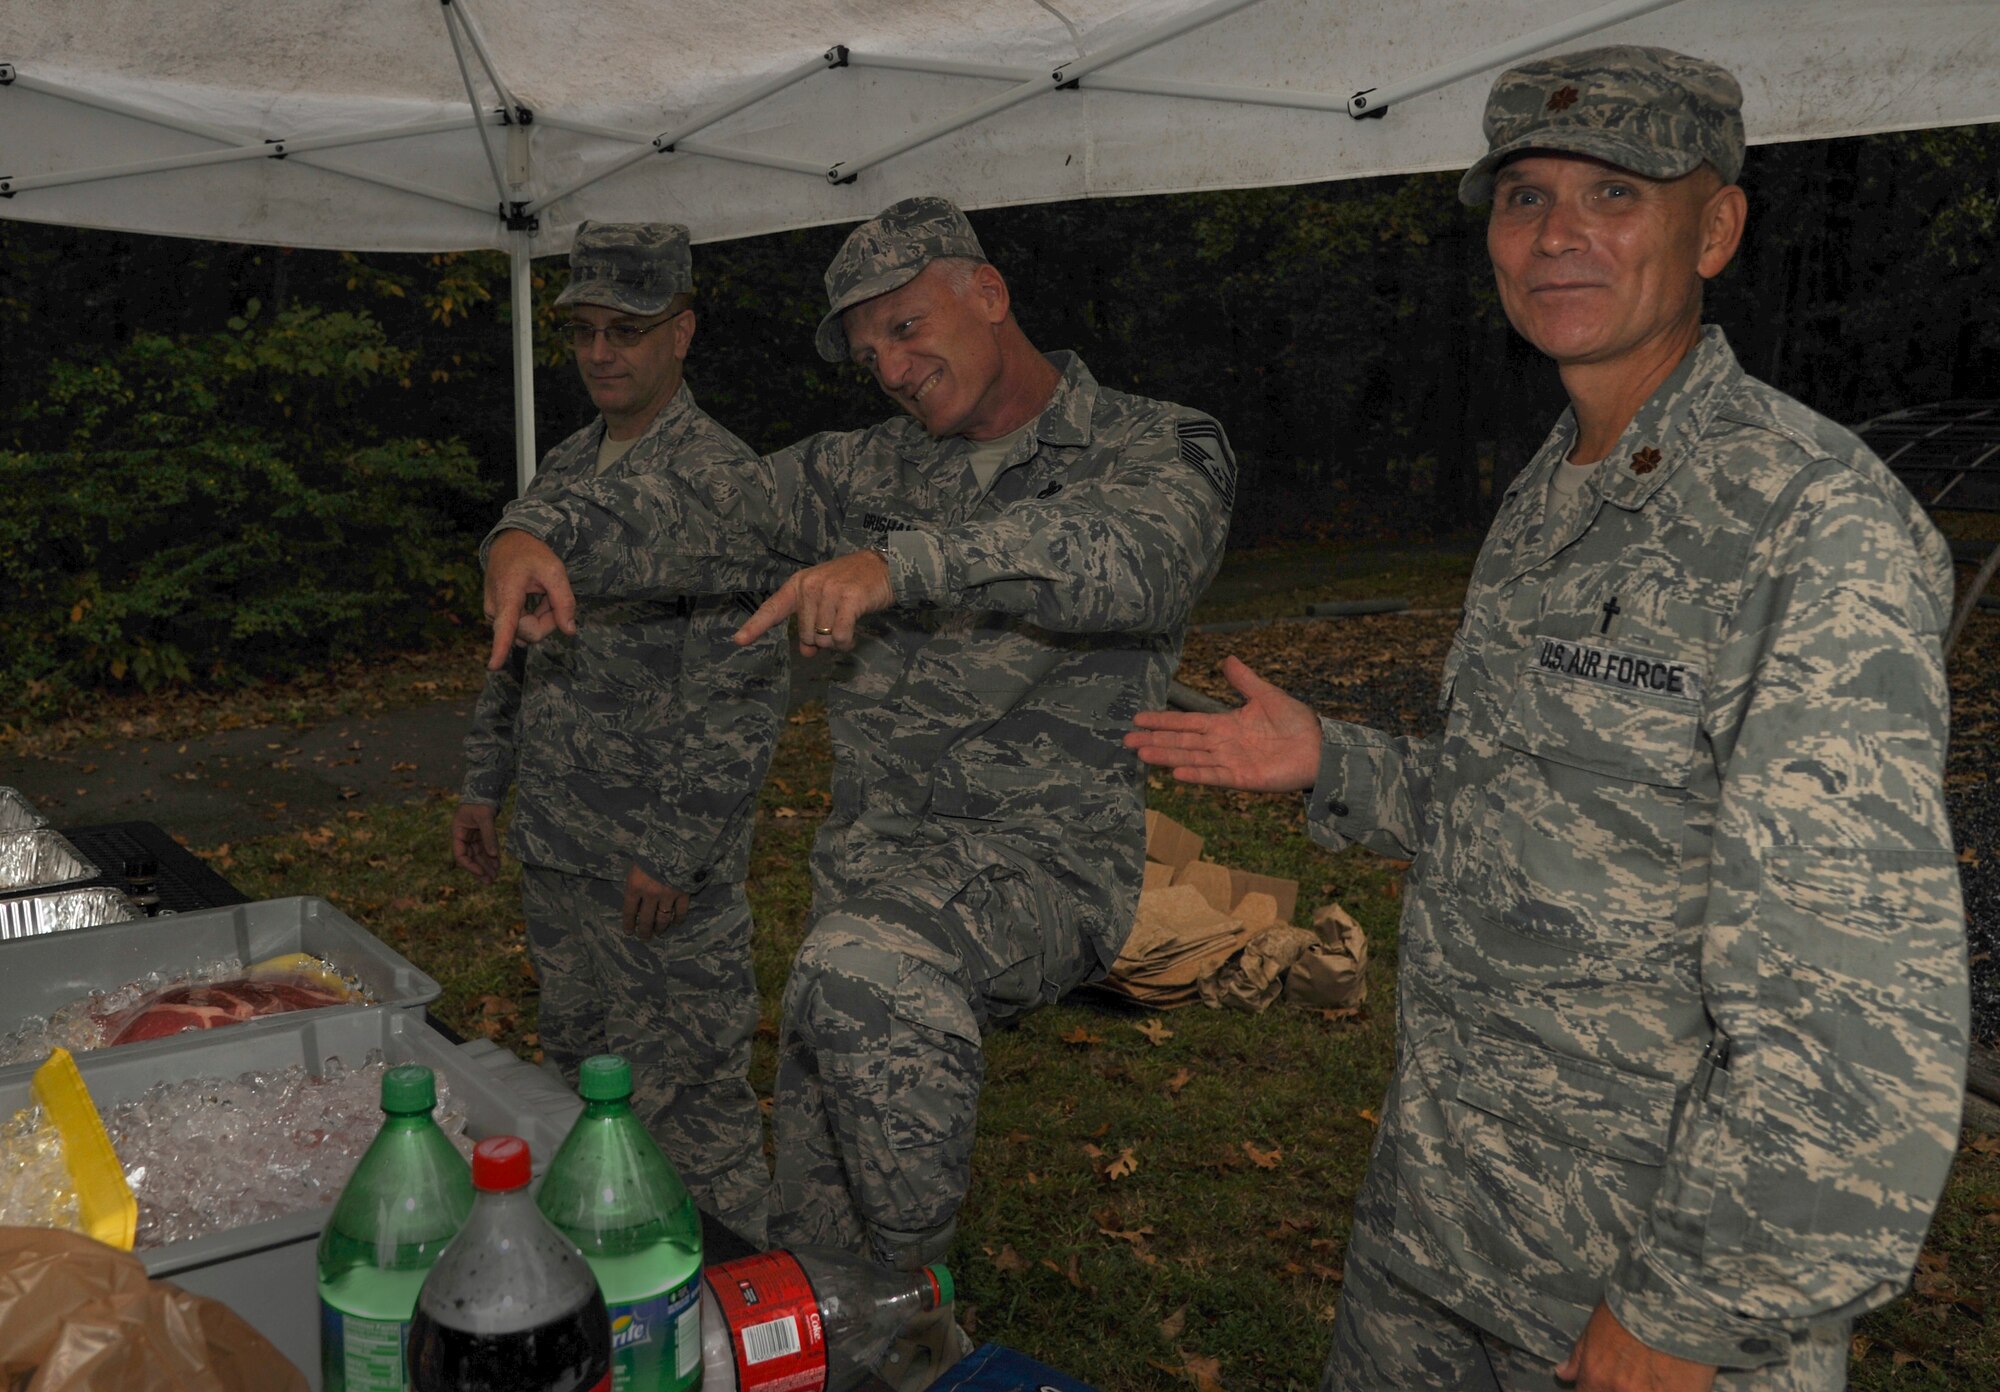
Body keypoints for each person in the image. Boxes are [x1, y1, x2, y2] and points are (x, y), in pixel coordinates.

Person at [1127, 46, 1967, 1392]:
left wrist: (1688, 1314)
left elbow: (1858, 1018)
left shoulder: (1812, 524)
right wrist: (1334, 761)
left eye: (1616, 192)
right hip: (1443, 1233)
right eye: (1524, 196)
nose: (1558, 231)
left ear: (1719, 227)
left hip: (1638, 1285)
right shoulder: (1550, 492)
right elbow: (1546, 808)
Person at [481, 194, 1236, 1269]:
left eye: (905, 326)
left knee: (862, 989)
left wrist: (901, 563)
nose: (888, 366)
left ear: (987, 294)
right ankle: (849, 1323)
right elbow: (691, 506)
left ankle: (912, 1291)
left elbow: (1138, 558)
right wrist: (523, 534)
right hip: (865, 885)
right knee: (814, 1218)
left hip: (1040, 868)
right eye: (866, 348)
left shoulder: (1153, 440)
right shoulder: (861, 470)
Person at [453, 221, 788, 1245]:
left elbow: (740, 697)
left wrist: (675, 851)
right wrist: (482, 780)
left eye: (629, 331)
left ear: (680, 333)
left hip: (653, 875)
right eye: (587, 331)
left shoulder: (723, 480)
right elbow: (516, 640)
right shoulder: (567, 463)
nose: (602, 352)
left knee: (689, 1106)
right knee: (578, 1089)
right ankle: (613, 1272)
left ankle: (747, 1302)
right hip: (558, 850)